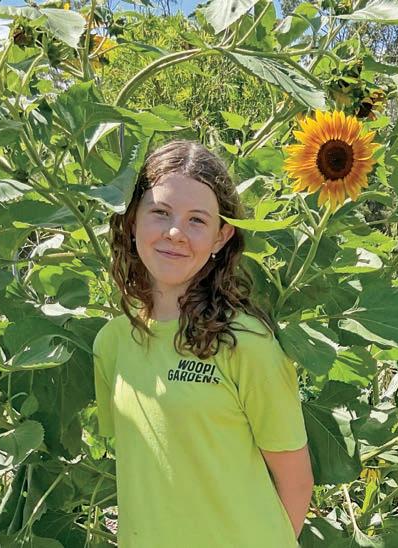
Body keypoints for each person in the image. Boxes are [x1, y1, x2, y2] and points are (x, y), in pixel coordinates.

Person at [93, 140, 314, 547]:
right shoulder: (112, 343)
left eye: (197, 220)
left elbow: (296, 481)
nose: (175, 233)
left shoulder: (245, 343)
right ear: (132, 220)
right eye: (160, 212)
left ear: (221, 237)